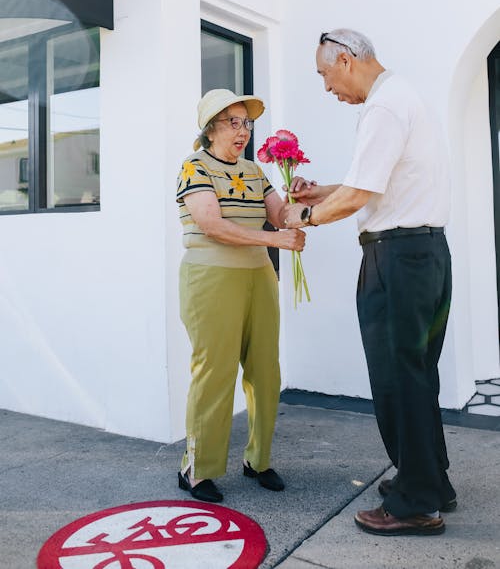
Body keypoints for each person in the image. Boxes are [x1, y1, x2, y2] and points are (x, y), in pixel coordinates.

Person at [283, 29, 455, 536]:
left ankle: (415, 505)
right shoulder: (400, 96)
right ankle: (430, 481)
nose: (326, 87)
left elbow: (359, 196)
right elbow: (370, 183)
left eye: (324, 74)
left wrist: (303, 216)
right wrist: (321, 191)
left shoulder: (382, 108)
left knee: (397, 378)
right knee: (416, 375)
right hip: (423, 255)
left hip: (398, 260)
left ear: (346, 59)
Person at [176, 88, 305, 503]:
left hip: (259, 276)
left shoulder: (253, 170)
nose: (243, 131)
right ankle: (197, 470)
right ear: (210, 128)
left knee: (266, 370)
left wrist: (300, 197)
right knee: (214, 372)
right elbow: (212, 224)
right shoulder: (194, 166)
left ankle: (259, 460)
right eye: (233, 122)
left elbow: (281, 216)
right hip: (210, 278)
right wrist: (275, 239)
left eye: (247, 123)